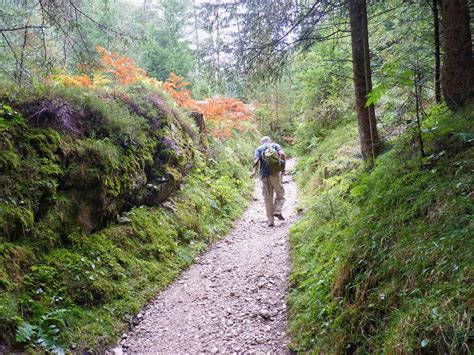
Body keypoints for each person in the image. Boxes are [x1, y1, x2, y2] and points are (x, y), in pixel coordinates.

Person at [250, 136, 286, 227]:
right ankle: (277, 210)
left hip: (264, 176)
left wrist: (254, 172)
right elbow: (282, 154)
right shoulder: (275, 145)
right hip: (275, 174)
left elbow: (256, 161)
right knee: (280, 192)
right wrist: (282, 168)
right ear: (270, 141)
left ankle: (270, 221)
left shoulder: (258, 149)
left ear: (262, 142)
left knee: (268, 198)